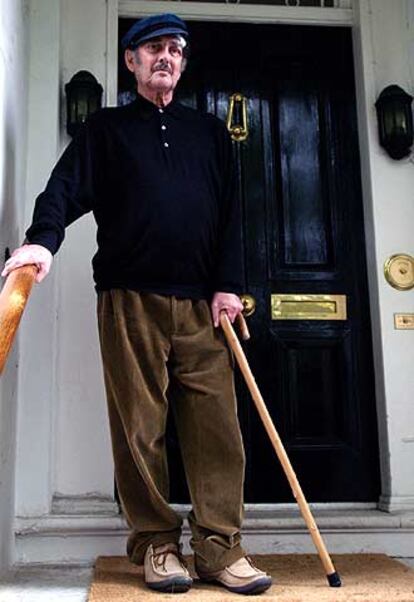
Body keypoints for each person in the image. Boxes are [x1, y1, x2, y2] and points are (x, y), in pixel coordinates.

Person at [2, 14, 272, 596]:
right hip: (130, 300)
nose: (166, 57)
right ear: (131, 60)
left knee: (217, 426)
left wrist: (229, 283)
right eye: (154, 48)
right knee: (139, 427)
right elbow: (64, 188)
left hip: (203, 305)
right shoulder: (106, 129)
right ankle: (154, 544)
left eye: (175, 49)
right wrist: (42, 241)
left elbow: (232, 217)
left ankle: (219, 547)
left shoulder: (210, 135)